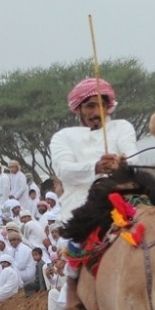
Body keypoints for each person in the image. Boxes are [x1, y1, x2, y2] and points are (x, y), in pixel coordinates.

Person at [50, 78, 137, 221]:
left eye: (102, 105)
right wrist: (96, 167)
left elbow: (133, 155)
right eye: (90, 106)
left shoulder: (121, 127)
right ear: (78, 109)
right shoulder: (63, 136)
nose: (97, 112)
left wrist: (122, 163)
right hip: (80, 206)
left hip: (126, 199)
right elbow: (64, 170)